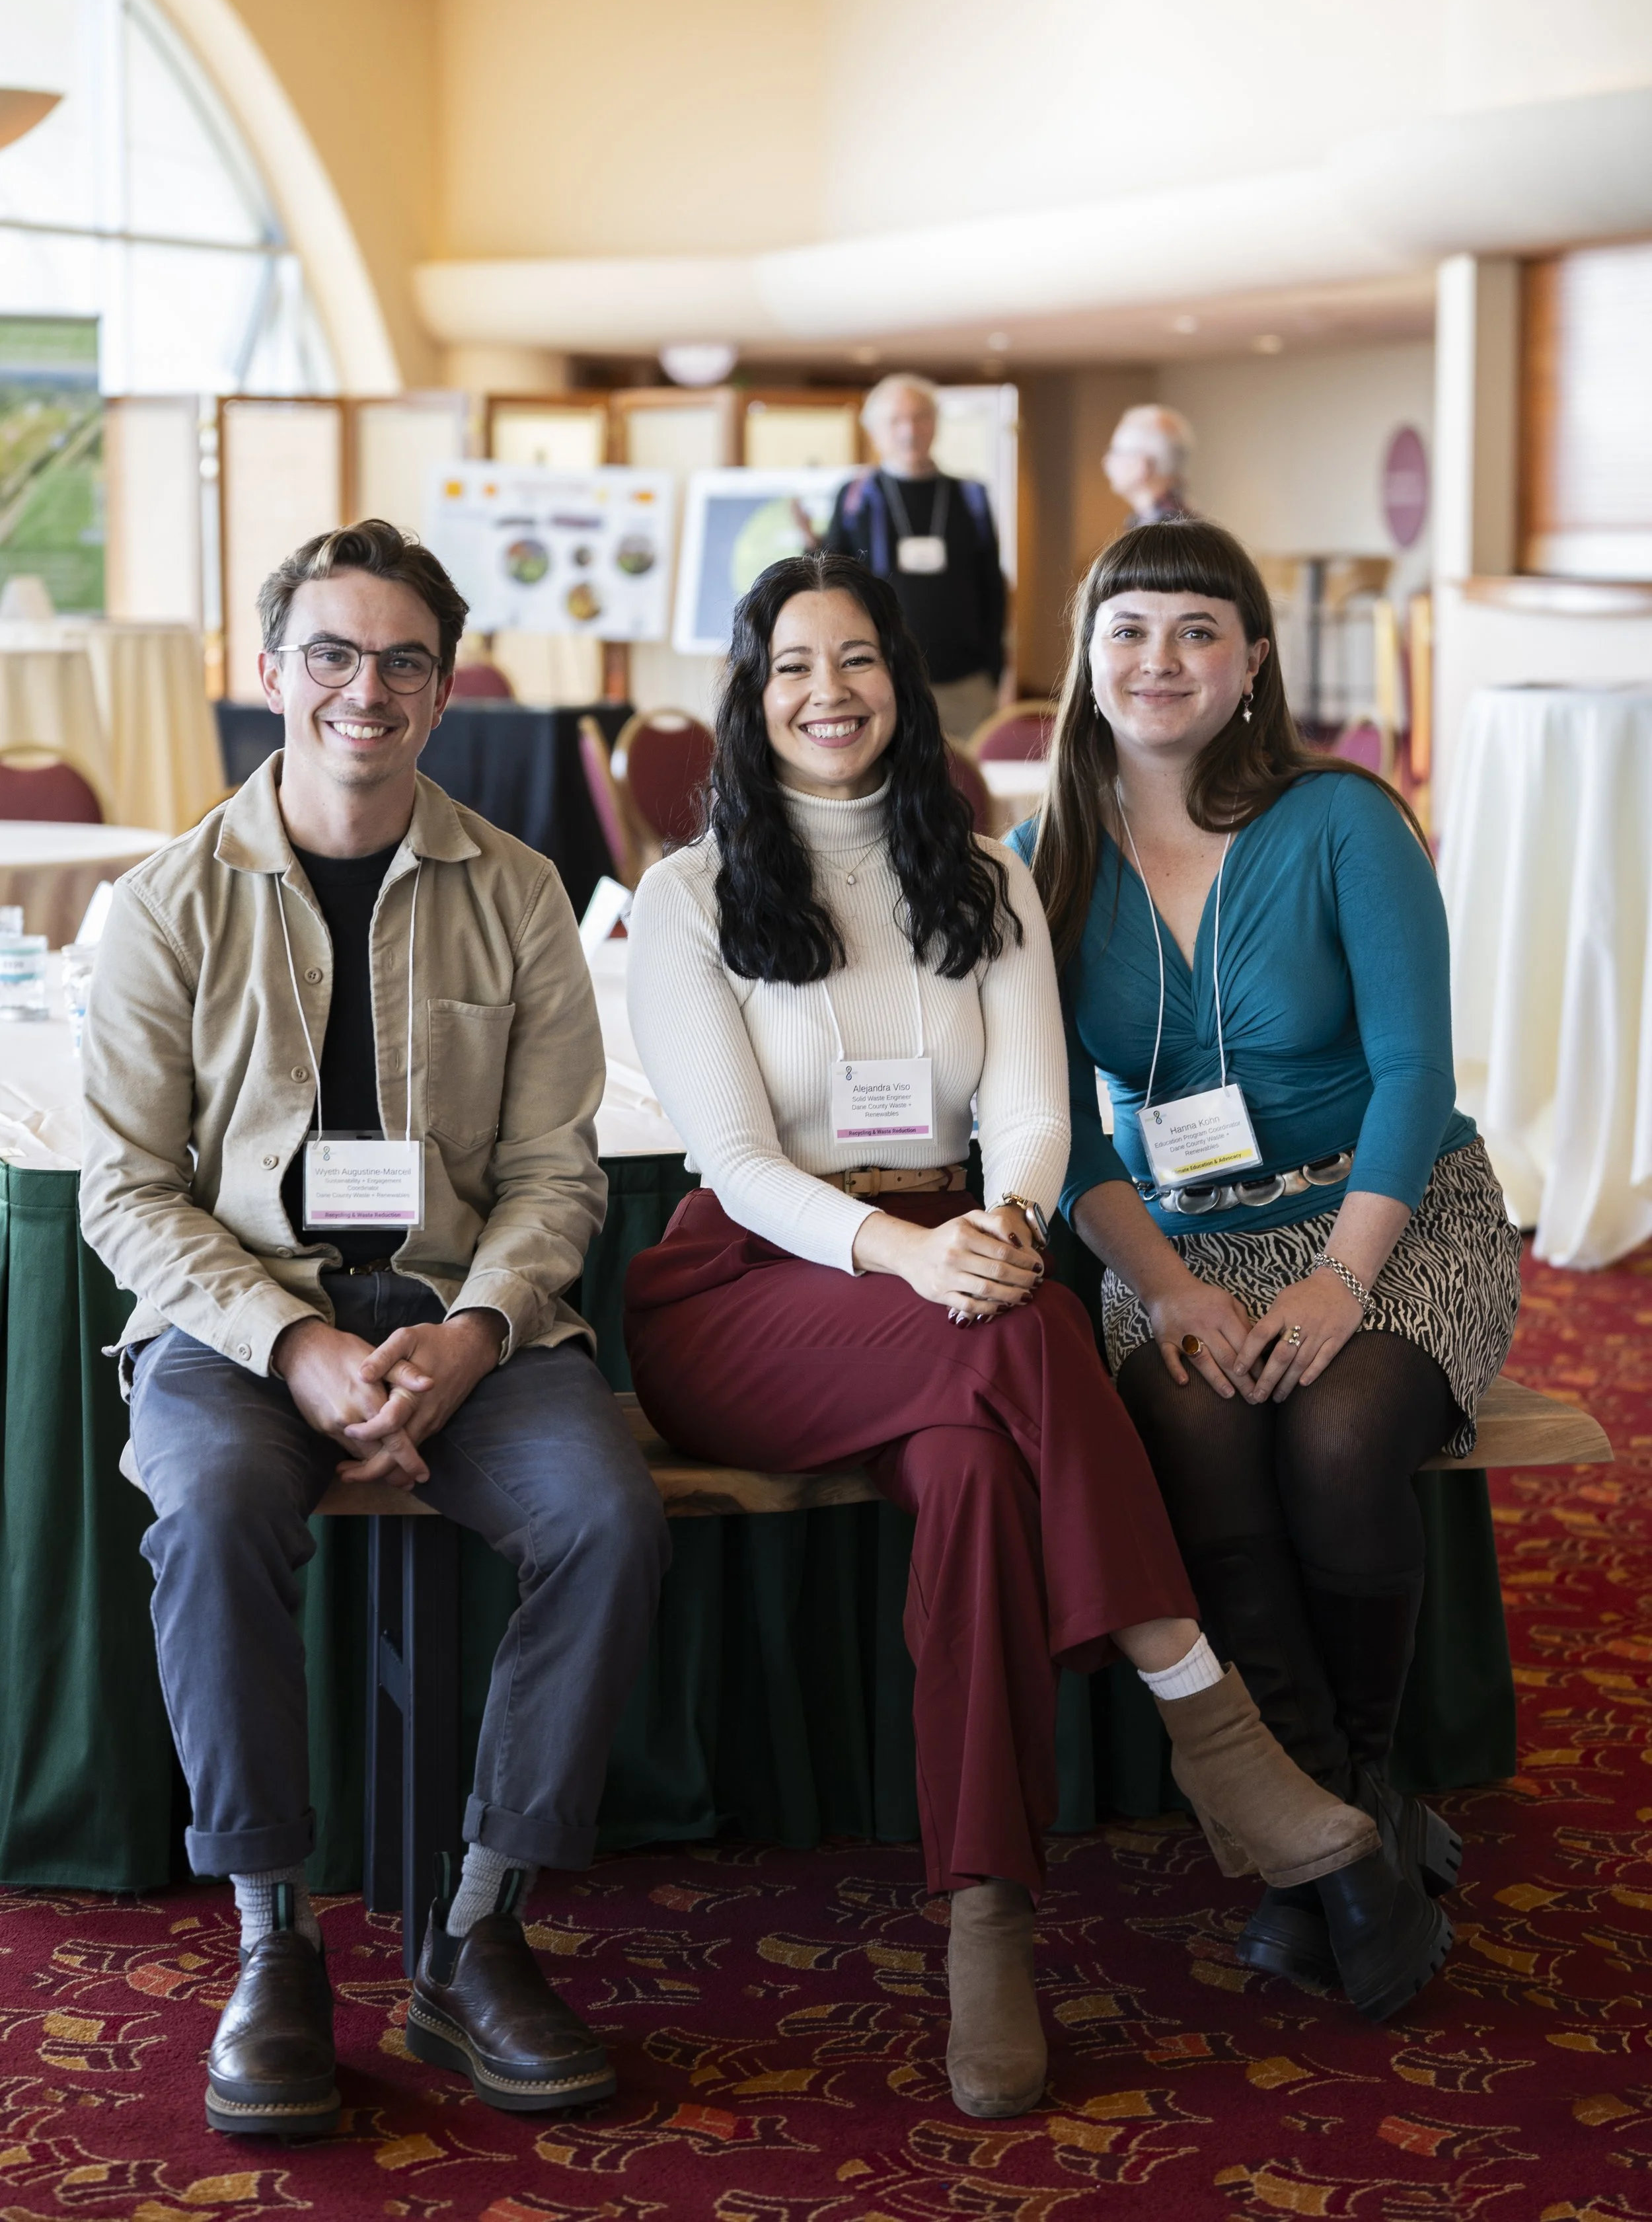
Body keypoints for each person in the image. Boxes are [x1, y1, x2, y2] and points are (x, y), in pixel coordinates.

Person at [621, 548, 1448, 2124]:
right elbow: (731, 1161)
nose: (827, 693)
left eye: (857, 660)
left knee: (988, 1469)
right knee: (1029, 1342)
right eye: (792, 665)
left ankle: (986, 1925)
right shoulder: (689, 891)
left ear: (900, 678)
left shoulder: (985, 870)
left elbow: (1028, 1103)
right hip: (757, 1282)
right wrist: (909, 1254)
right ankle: (1217, 1729)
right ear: (749, 690)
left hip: (959, 1268)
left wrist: (1003, 1219)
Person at [79, 520, 669, 2139]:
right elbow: (124, 1197)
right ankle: (272, 1939)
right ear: (270, 674)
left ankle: (476, 1929)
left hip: (465, 1320)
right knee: (205, 1510)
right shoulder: (163, 906)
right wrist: (289, 1344)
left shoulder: (522, 890)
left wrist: (477, 1330)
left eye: (404, 659)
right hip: (238, 1326)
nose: (366, 688)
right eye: (330, 654)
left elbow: (559, 1175)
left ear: (446, 686)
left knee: (609, 1515)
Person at [1016, 517, 1521, 1993]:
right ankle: (1337, 1844)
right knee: (1193, 1424)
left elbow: (1415, 1070)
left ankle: (1348, 1803)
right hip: (1173, 1238)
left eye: (1193, 630)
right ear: (1087, 663)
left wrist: (1340, 1274)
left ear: (1248, 663)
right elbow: (1059, 1133)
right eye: (1127, 631)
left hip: (1392, 1204)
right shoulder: (1039, 857)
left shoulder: (1343, 818)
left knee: (1336, 1432)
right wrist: (1168, 1287)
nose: (1157, 658)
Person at [826, 372, 1005, 741]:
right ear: (873, 431)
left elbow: (992, 585)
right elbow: (832, 584)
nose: (909, 430)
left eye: (920, 416)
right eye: (895, 421)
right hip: (882, 677)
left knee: (967, 784)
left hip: (965, 679)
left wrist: (996, 667)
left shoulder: (970, 496)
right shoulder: (855, 497)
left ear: (936, 423)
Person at [1104, 403, 1196, 526]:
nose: (1106, 461)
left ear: (1143, 465)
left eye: (1116, 452)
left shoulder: (1163, 531)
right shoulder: (1182, 520)